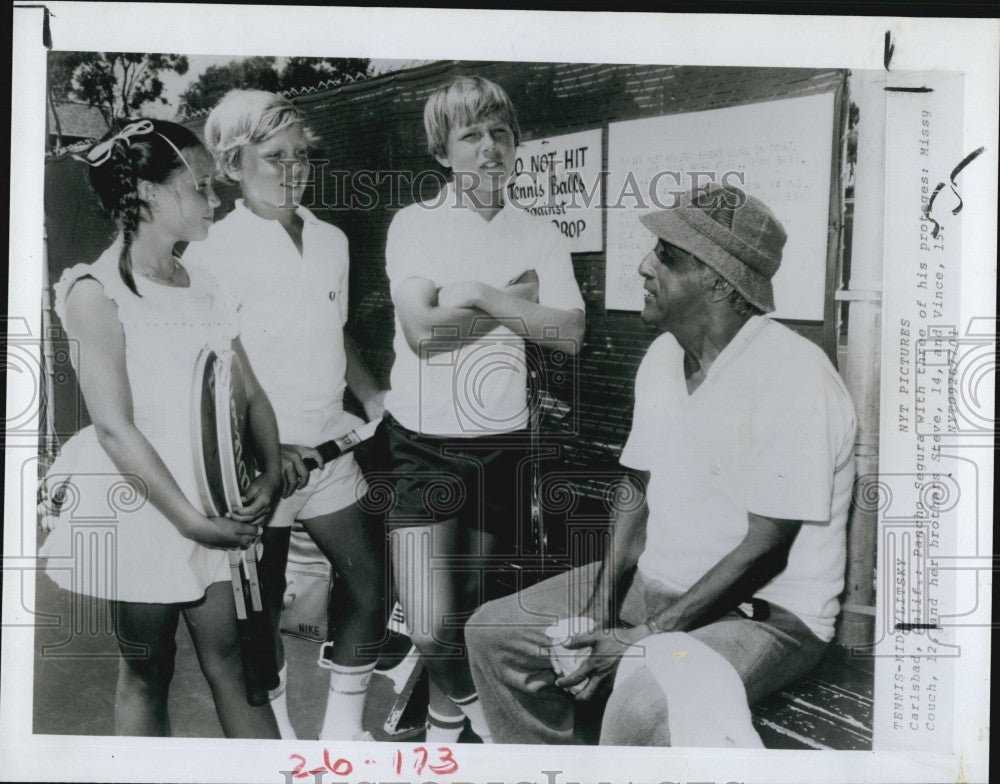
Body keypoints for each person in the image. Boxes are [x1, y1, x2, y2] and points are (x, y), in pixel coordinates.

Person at [466, 183, 857, 747]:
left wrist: (641, 638)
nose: (644, 265)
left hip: (765, 616)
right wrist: (602, 606)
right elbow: (637, 490)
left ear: (719, 283)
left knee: (648, 689)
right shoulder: (662, 356)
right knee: (493, 633)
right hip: (656, 586)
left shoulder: (795, 376)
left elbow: (765, 548)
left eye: (667, 256)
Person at [39, 119, 282, 738]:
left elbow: (248, 392)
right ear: (147, 193)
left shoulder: (206, 286)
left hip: (213, 504)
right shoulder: (96, 293)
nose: (217, 199)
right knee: (148, 670)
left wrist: (273, 467)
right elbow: (116, 428)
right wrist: (188, 522)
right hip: (145, 507)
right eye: (201, 187)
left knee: (235, 665)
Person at [383, 75, 586, 743]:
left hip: (501, 446)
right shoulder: (415, 225)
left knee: (469, 613)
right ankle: (493, 729)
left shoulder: (542, 233)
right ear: (443, 152)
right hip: (421, 446)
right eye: (471, 135)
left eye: (501, 133)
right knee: (429, 623)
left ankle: (444, 737)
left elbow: (570, 334)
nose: (490, 147)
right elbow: (422, 336)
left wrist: (478, 295)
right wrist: (519, 301)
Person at [184, 90, 388, 741]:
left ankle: (341, 743)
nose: (293, 169)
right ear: (232, 162)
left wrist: (376, 396)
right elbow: (210, 376)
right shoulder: (209, 253)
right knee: (258, 620)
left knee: (371, 591)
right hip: (259, 468)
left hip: (331, 453)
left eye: (302, 155)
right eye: (275, 157)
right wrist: (265, 453)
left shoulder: (331, 240)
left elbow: (338, 332)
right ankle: (282, 752)